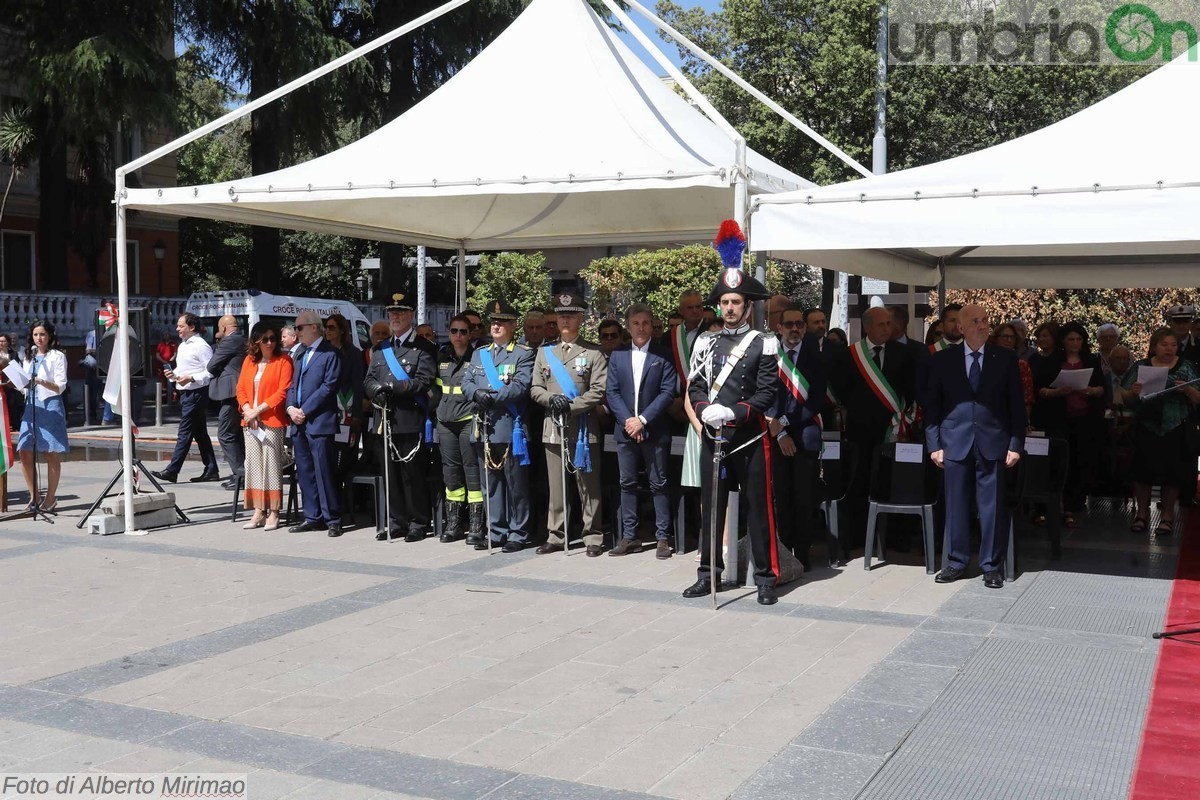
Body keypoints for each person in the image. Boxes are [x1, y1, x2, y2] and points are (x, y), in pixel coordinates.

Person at [681, 225, 782, 606]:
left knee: (759, 508)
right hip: (713, 436)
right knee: (712, 509)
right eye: (724, 302)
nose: (729, 308)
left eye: (736, 302)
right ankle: (708, 574)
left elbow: (768, 392)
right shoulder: (705, 342)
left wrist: (735, 412)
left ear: (748, 305)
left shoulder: (763, 342)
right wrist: (707, 411)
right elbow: (694, 386)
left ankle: (766, 577)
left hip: (750, 437)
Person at [923, 303, 1026, 589]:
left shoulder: (1004, 359)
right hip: (954, 443)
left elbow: (1016, 406)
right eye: (976, 321)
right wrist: (934, 444)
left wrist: (1016, 444)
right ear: (961, 327)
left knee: (991, 507)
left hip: (993, 442)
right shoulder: (943, 360)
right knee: (955, 505)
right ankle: (956, 562)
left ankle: (991, 566)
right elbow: (932, 406)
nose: (983, 325)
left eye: (985, 320)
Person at [531, 292, 608, 556]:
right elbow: (535, 388)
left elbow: (599, 390)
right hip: (553, 424)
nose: (565, 320)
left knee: (588, 484)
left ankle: (593, 536)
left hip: (583, 427)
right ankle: (556, 534)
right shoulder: (544, 353)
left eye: (571, 316)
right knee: (556, 484)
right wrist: (553, 400)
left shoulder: (594, 352)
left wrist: (571, 406)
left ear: (580, 319)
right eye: (562, 315)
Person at [832, 306, 915, 551]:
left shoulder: (904, 354)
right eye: (881, 324)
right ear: (867, 327)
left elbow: (910, 390)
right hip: (861, 431)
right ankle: (858, 537)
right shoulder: (850, 356)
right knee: (860, 482)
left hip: (894, 431)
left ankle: (894, 539)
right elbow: (842, 390)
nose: (887, 329)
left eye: (889, 324)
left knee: (894, 483)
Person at [461, 300, 536, 551]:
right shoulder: (479, 353)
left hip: (509, 426)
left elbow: (520, 386)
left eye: (501, 322)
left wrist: (490, 397)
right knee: (490, 484)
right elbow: (467, 381)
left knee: (516, 485)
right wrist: (475, 394)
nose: (496, 325)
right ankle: (496, 530)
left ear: (513, 326)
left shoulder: (523, 353)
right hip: (484, 428)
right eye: (493, 321)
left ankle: (518, 532)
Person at [606, 303, 678, 558]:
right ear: (628, 326)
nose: (641, 328)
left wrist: (643, 420)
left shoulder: (664, 354)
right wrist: (628, 420)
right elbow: (612, 391)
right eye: (636, 323)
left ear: (651, 325)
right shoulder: (618, 354)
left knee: (658, 482)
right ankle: (630, 536)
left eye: (645, 323)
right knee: (627, 483)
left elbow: (668, 391)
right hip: (625, 430)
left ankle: (662, 537)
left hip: (654, 429)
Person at [364, 293, 438, 542]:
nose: (395, 317)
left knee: (411, 474)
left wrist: (392, 388)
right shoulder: (380, 348)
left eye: (400, 313)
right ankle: (396, 521)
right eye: (392, 313)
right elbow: (369, 379)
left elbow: (423, 382)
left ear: (411, 316)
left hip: (409, 418)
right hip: (385, 418)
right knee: (391, 474)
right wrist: (376, 390)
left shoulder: (424, 348)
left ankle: (418, 521)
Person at [1121, 328, 1200, 535]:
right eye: (1164, 345)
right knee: (1143, 471)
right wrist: (1134, 392)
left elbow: (1198, 396)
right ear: (1155, 345)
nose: (1169, 349)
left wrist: (1189, 390)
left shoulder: (1186, 367)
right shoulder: (1141, 366)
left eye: (1173, 345)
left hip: (1175, 426)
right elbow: (1125, 396)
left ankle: (1167, 517)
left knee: (1172, 473)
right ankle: (1141, 515)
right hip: (1147, 425)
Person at [1029, 322, 1106, 525]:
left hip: (1084, 419)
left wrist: (1091, 390)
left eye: (1079, 339)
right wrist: (1056, 392)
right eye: (1071, 339)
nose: (1075, 343)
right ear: (1063, 341)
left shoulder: (1091, 360)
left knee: (1079, 463)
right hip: (1056, 419)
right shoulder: (1052, 360)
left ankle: (1072, 506)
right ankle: (1046, 507)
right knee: (1055, 464)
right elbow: (1039, 389)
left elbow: (1102, 388)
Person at [769, 306, 827, 569]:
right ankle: (783, 549)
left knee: (804, 496)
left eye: (799, 324)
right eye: (789, 324)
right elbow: (765, 396)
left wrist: (785, 423)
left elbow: (815, 401)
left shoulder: (815, 356)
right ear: (779, 327)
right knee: (781, 495)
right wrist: (780, 432)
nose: (794, 329)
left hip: (805, 435)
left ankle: (802, 553)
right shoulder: (769, 356)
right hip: (775, 437)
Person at [285, 310, 344, 536]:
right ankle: (312, 516)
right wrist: (291, 408)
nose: (295, 332)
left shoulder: (330, 353)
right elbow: (292, 385)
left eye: (299, 328)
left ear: (313, 327)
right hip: (299, 422)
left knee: (324, 471)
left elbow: (329, 387)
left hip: (319, 421)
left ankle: (332, 518)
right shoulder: (300, 353)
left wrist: (304, 410)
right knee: (305, 471)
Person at [235, 322, 294, 531]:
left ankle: (274, 511)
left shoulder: (284, 360)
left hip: (272, 421)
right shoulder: (249, 361)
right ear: (256, 341)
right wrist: (247, 409)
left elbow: (282, 392)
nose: (270, 343)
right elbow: (241, 388)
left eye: (273, 338)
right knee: (254, 465)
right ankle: (258, 510)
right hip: (250, 422)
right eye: (265, 339)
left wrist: (257, 410)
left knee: (271, 466)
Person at [152, 314, 220, 484]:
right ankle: (211, 469)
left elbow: (210, 371)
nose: (177, 329)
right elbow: (183, 370)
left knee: (185, 432)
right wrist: (173, 375)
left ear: (192, 327)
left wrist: (191, 378)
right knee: (200, 433)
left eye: (181, 326)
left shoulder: (201, 346)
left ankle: (172, 470)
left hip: (196, 393)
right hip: (186, 393)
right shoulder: (183, 346)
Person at [434, 314, 483, 544]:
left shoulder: (479, 358)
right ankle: (453, 524)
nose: (458, 336)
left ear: (471, 333)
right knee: (450, 473)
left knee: (472, 472)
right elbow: (434, 387)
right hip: (445, 421)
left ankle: (476, 526)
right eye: (454, 331)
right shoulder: (441, 356)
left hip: (467, 421)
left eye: (463, 331)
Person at [16, 321, 68, 511]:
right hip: (31, 404)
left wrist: (40, 381)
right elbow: (23, 383)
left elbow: (60, 386)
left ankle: (51, 498)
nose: (39, 338)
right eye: (36, 334)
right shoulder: (28, 355)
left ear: (50, 336)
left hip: (50, 404)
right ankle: (34, 495)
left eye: (43, 334)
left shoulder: (57, 356)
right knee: (24, 449)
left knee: (50, 451)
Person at [323, 313, 366, 487]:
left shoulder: (353, 353)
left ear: (342, 330)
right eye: (326, 327)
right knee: (329, 455)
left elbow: (358, 384)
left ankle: (348, 500)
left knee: (347, 454)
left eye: (332, 327)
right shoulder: (323, 351)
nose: (328, 331)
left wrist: (356, 414)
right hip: (328, 409)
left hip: (347, 409)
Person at [207, 315, 246, 489]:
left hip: (232, 392)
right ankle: (241, 474)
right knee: (236, 434)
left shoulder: (230, 341)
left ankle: (242, 475)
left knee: (225, 434)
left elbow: (211, 365)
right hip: (236, 392)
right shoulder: (241, 339)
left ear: (223, 328)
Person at [991, 323, 1034, 419]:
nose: (1009, 340)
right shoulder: (985, 362)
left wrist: (1025, 422)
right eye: (1005, 337)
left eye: (1012, 337)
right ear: (996, 339)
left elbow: (1027, 398)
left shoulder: (1021, 365)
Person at [0, 333, 26, 431]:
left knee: (12, 404)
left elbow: (17, 367)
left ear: (7, 342)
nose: (1, 343)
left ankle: (13, 424)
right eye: (0, 341)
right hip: (0, 383)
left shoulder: (13, 354)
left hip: (11, 383)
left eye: (3, 341)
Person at [154, 331, 178, 403]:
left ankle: (174, 398)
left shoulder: (173, 344)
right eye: (165, 335)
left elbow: (175, 354)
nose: (166, 336)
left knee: (173, 380)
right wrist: (164, 361)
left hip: (171, 365)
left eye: (168, 334)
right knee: (162, 382)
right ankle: (163, 399)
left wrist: (170, 361)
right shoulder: (160, 344)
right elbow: (157, 354)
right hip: (161, 365)